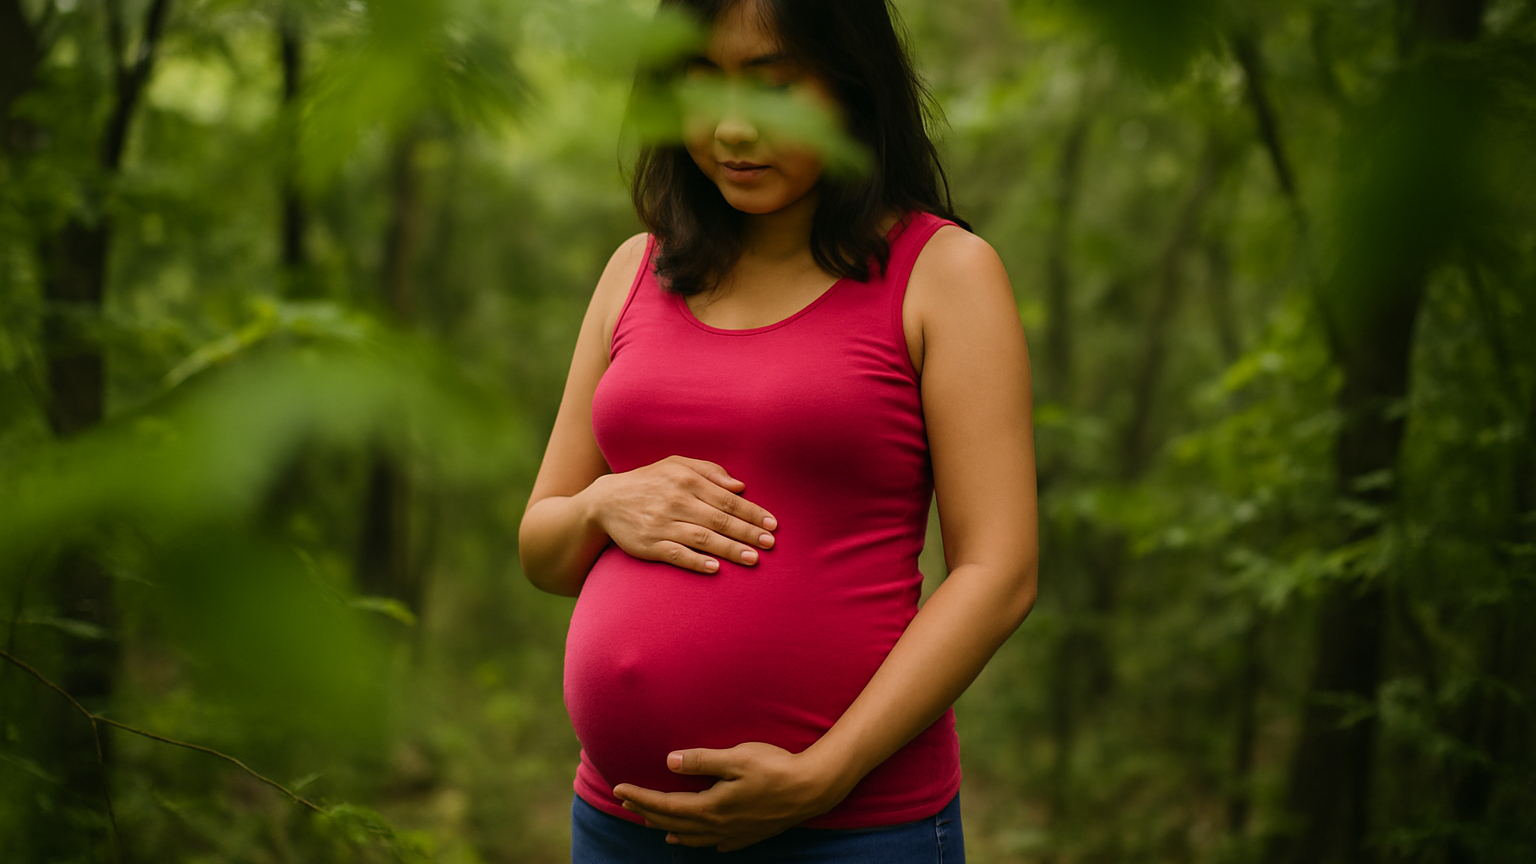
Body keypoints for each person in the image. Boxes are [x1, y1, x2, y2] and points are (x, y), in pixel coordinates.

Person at [518, 0, 1037, 859]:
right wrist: (602, 504)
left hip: (853, 829)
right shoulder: (636, 269)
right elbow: (542, 550)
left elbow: (999, 572)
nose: (731, 127)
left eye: (774, 85)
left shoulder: (944, 273)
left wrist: (828, 771)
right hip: (621, 828)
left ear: (851, 86)